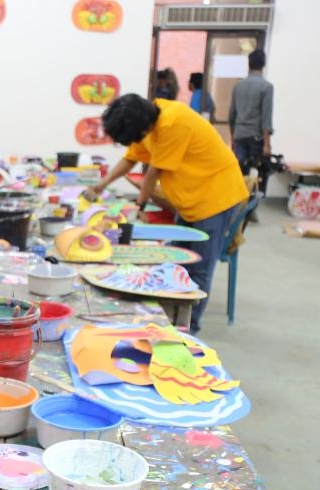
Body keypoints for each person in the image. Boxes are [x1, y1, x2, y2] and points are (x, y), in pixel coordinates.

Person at [84, 94, 248, 335]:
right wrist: (103, 184)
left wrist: (138, 207)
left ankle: (188, 331)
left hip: (216, 196)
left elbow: (153, 173)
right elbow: (130, 159)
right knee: (175, 261)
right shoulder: (148, 122)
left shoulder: (173, 123)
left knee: (198, 267)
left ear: (138, 129)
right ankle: (170, 320)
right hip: (190, 198)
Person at [229, 48, 274, 193]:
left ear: (249, 64)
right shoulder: (266, 87)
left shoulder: (238, 86)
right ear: (263, 65)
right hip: (256, 137)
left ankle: (238, 202)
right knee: (258, 174)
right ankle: (253, 202)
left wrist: (233, 139)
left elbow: (232, 115)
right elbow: (266, 117)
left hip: (239, 136)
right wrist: (267, 144)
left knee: (240, 173)